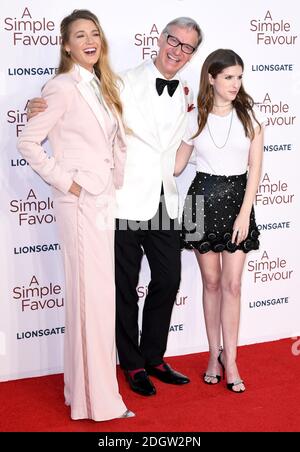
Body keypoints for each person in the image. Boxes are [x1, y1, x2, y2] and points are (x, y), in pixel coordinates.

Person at [27, 17, 203, 397]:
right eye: (174, 40)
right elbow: (77, 109)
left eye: (188, 47)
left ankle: (154, 356)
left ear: (192, 54)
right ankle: (133, 364)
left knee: (168, 279)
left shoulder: (188, 89)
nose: (178, 50)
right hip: (120, 197)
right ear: (160, 39)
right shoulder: (117, 82)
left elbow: (186, 137)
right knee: (123, 287)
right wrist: (34, 107)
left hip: (163, 198)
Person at [18, 9, 134, 421]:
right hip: (81, 203)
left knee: (95, 302)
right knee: (93, 303)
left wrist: (110, 182)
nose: (90, 40)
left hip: (102, 202)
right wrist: (69, 183)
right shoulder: (62, 86)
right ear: (66, 45)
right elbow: (29, 143)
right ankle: (99, 402)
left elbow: (112, 141)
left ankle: (81, 393)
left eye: (95, 33)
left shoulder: (102, 84)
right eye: (80, 35)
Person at [175, 49, 265, 393]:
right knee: (210, 284)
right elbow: (177, 167)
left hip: (237, 203)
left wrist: (244, 213)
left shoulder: (250, 120)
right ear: (211, 78)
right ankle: (214, 354)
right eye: (228, 76)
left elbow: (255, 171)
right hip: (199, 202)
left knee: (233, 285)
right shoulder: (193, 117)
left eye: (239, 76)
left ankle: (233, 359)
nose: (235, 83)